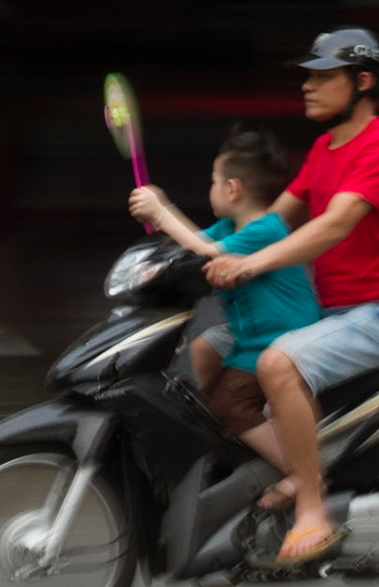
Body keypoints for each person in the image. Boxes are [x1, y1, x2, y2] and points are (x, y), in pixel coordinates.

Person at [200, 28, 379, 566]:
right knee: (207, 347)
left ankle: (312, 508)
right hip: (334, 314)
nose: (308, 85)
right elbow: (269, 223)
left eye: (323, 76)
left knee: (277, 363)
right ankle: (274, 465)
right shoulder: (324, 150)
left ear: (362, 82)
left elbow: (333, 225)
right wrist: (186, 246)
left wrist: (250, 264)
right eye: (307, 75)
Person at [127, 126, 319, 468]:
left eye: (213, 181)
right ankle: (245, 435)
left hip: (277, 340)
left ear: (232, 189)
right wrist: (158, 225)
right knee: (204, 347)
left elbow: (209, 253)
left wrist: (162, 210)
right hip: (254, 334)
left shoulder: (265, 229)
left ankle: (297, 470)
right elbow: (194, 245)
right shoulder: (230, 227)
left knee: (226, 404)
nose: (211, 188)